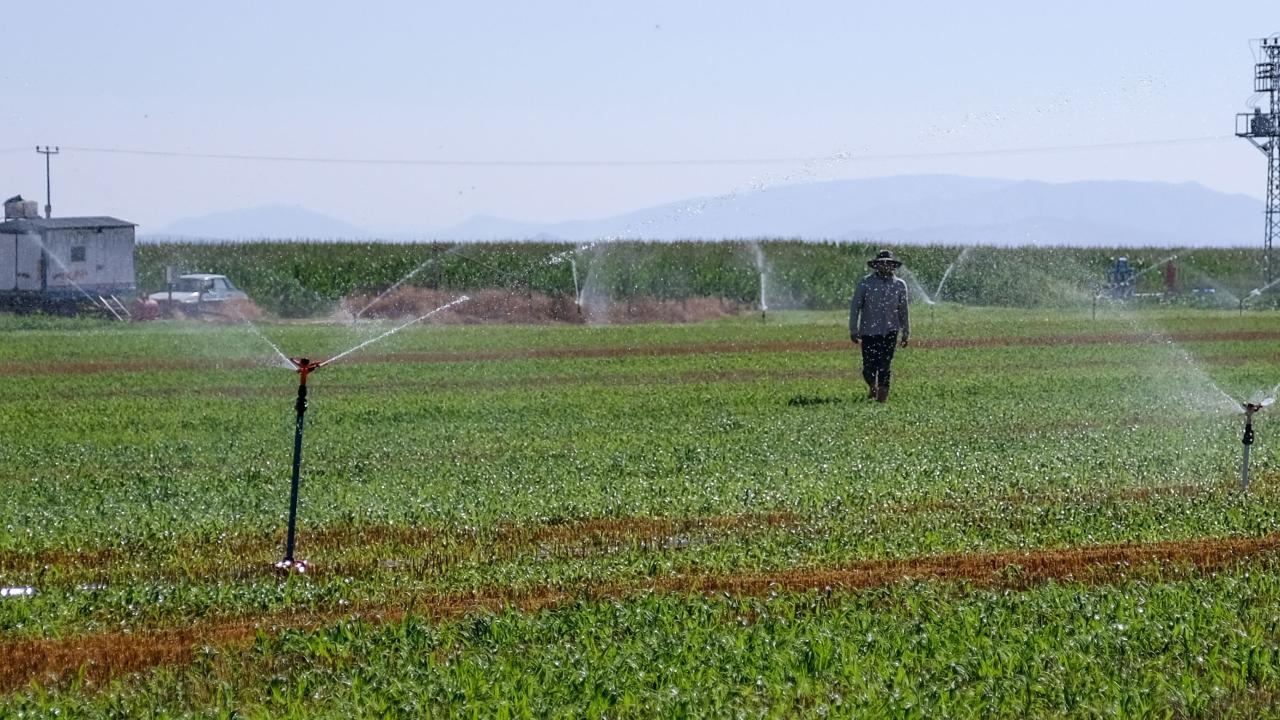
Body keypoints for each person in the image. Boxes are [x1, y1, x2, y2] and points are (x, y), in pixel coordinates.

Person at [850, 250, 910, 403]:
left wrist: (905, 331)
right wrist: (853, 329)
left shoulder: (899, 285)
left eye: (888, 263)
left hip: (890, 331)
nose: (885, 266)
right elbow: (855, 307)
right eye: (882, 263)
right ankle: (872, 385)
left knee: (885, 364)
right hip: (869, 331)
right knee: (869, 366)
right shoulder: (866, 283)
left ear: (893, 266)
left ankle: (882, 399)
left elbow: (903, 309)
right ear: (876, 265)